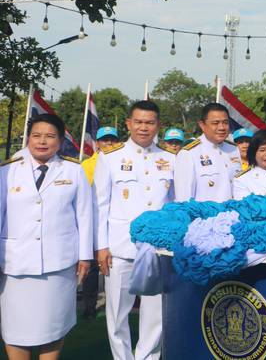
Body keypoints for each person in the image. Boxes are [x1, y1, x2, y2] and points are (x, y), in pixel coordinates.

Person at [0, 113, 93, 360]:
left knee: (54, 326)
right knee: (15, 328)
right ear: (28, 139)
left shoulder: (74, 170)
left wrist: (85, 256)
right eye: (36, 136)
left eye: (50, 136)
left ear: (60, 141)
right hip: (16, 263)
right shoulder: (7, 171)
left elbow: (85, 216)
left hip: (58, 264)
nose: (42, 141)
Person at [93, 100, 175, 360]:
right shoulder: (110, 157)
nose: (143, 127)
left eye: (149, 122)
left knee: (155, 315)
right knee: (117, 313)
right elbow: (100, 205)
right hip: (120, 247)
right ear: (128, 124)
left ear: (158, 125)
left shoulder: (171, 158)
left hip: (158, 248)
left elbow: (175, 205)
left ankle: (147, 357)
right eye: (138, 122)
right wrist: (101, 246)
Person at [79, 125, 121, 320]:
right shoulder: (87, 165)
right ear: (97, 143)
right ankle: (90, 304)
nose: (109, 143)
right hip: (92, 219)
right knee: (93, 266)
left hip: (114, 220)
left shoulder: (121, 161)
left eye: (113, 139)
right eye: (105, 140)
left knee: (116, 265)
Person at [174, 103, 241, 202]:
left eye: (225, 122)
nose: (221, 127)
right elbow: (184, 200)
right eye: (215, 123)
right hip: (205, 212)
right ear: (202, 125)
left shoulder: (233, 149)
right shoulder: (188, 154)